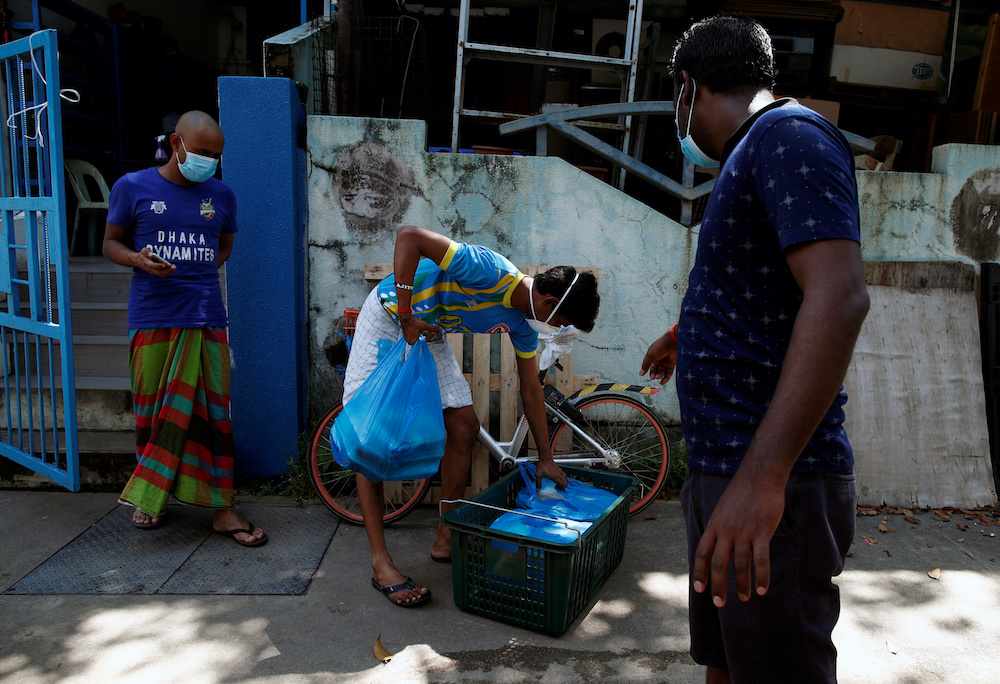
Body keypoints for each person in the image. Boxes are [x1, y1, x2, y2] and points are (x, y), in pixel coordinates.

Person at [639, 16, 869, 683]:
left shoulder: (789, 138)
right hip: (730, 471)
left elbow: (839, 297)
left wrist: (762, 479)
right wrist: (688, 337)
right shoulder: (755, 150)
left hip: (771, 482)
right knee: (730, 660)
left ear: (688, 87)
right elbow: (767, 287)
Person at [345, 224, 599, 606]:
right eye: (561, 323)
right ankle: (381, 563)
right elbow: (409, 236)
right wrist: (406, 313)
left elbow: (530, 391)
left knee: (463, 428)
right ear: (548, 302)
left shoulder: (522, 325)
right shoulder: (487, 270)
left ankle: (446, 536)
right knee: (371, 442)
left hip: (428, 332)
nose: (557, 330)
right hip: (389, 317)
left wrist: (546, 459)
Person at [103, 110, 267, 547]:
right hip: (152, 317)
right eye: (202, 152)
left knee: (213, 418)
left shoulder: (223, 195)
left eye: (216, 155)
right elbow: (110, 243)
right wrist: (138, 260)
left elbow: (224, 245)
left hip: (206, 318)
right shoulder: (132, 187)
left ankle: (223, 509)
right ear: (176, 144)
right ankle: (150, 498)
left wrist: (196, 274)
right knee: (154, 412)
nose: (209, 161)